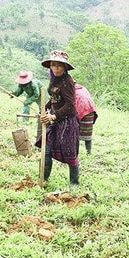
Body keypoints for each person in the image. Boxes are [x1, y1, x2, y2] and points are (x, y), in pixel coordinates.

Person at [36, 50, 80, 186]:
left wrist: (53, 116)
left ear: (65, 67)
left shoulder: (67, 82)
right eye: (53, 65)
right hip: (54, 121)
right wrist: (44, 108)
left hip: (67, 123)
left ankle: (74, 183)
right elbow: (55, 99)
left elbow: (71, 107)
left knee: (70, 153)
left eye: (59, 65)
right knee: (47, 149)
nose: (56, 68)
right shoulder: (54, 79)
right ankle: (44, 179)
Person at [75, 83, 98, 155]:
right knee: (88, 132)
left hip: (83, 109)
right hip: (90, 109)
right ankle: (89, 152)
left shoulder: (71, 90)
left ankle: (76, 153)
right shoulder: (83, 88)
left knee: (75, 133)